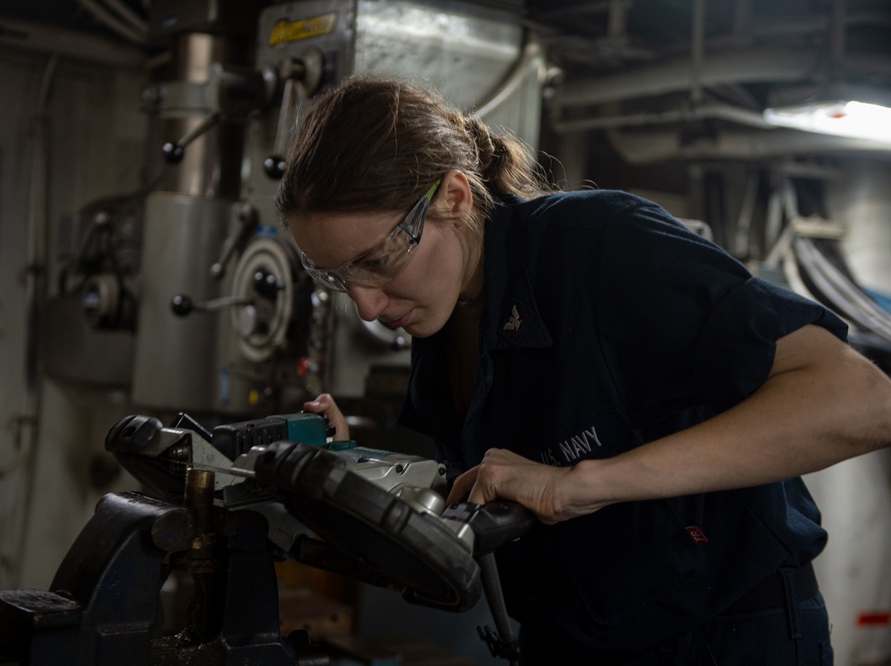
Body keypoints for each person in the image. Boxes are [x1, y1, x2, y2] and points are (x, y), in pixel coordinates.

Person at [275, 74, 891, 665]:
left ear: (454, 199)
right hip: (570, 637)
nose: (367, 306)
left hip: (722, 636)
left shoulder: (600, 244)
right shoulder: (442, 311)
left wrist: (580, 483)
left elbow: (861, 400)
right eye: (338, 278)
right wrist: (364, 477)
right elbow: (488, 491)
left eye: (376, 261)